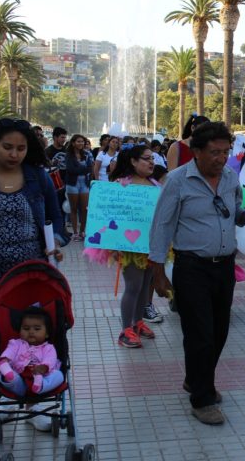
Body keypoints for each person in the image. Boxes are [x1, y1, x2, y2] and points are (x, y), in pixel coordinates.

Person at [149, 121, 245, 425]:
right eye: (214, 152)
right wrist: (157, 272)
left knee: (219, 331)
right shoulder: (177, 181)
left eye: (225, 152)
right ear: (197, 152)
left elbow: (239, 211)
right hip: (191, 268)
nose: (221, 158)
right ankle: (202, 398)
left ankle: (195, 378)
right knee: (199, 334)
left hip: (225, 267)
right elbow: (162, 226)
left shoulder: (231, 177)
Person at [0, 118, 65, 303]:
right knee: (0, 325)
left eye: (21, 149)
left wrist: (55, 244)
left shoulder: (39, 177)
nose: (14, 154)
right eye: (7, 147)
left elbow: (57, 218)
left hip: (34, 267)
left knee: (32, 326)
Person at [107, 145, 163, 347]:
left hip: (150, 245)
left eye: (153, 159)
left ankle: (138, 322)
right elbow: (110, 215)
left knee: (145, 286)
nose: (151, 162)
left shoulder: (155, 184)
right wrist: (114, 244)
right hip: (129, 247)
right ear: (133, 161)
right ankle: (125, 330)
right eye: (146, 159)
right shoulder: (122, 185)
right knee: (133, 287)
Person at [0, 306, 63, 395]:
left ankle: (40, 385)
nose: (31, 332)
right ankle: (6, 369)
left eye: (37, 329)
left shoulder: (48, 348)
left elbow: (50, 360)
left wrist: (43, 368)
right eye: (26, 329)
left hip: (41, 375)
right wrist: (6, 359)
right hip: (20, 376)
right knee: (11, 378)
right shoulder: (16, 344)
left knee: (59, 376)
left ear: (47, 333)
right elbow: (10, 351)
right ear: (20, 330)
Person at [64, 134, 93, 241]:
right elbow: (71, 170)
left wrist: (82, 169)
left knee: (84, 209)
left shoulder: (86, 154)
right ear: (73, 143)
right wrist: (84, 169)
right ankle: (75, 232)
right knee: (74, 208)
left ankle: (82, 231)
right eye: (78, 141)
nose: (81, 143)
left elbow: (90, 168)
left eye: (82, 141)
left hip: (84, 184)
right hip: (72, 184)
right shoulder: (69, 155)